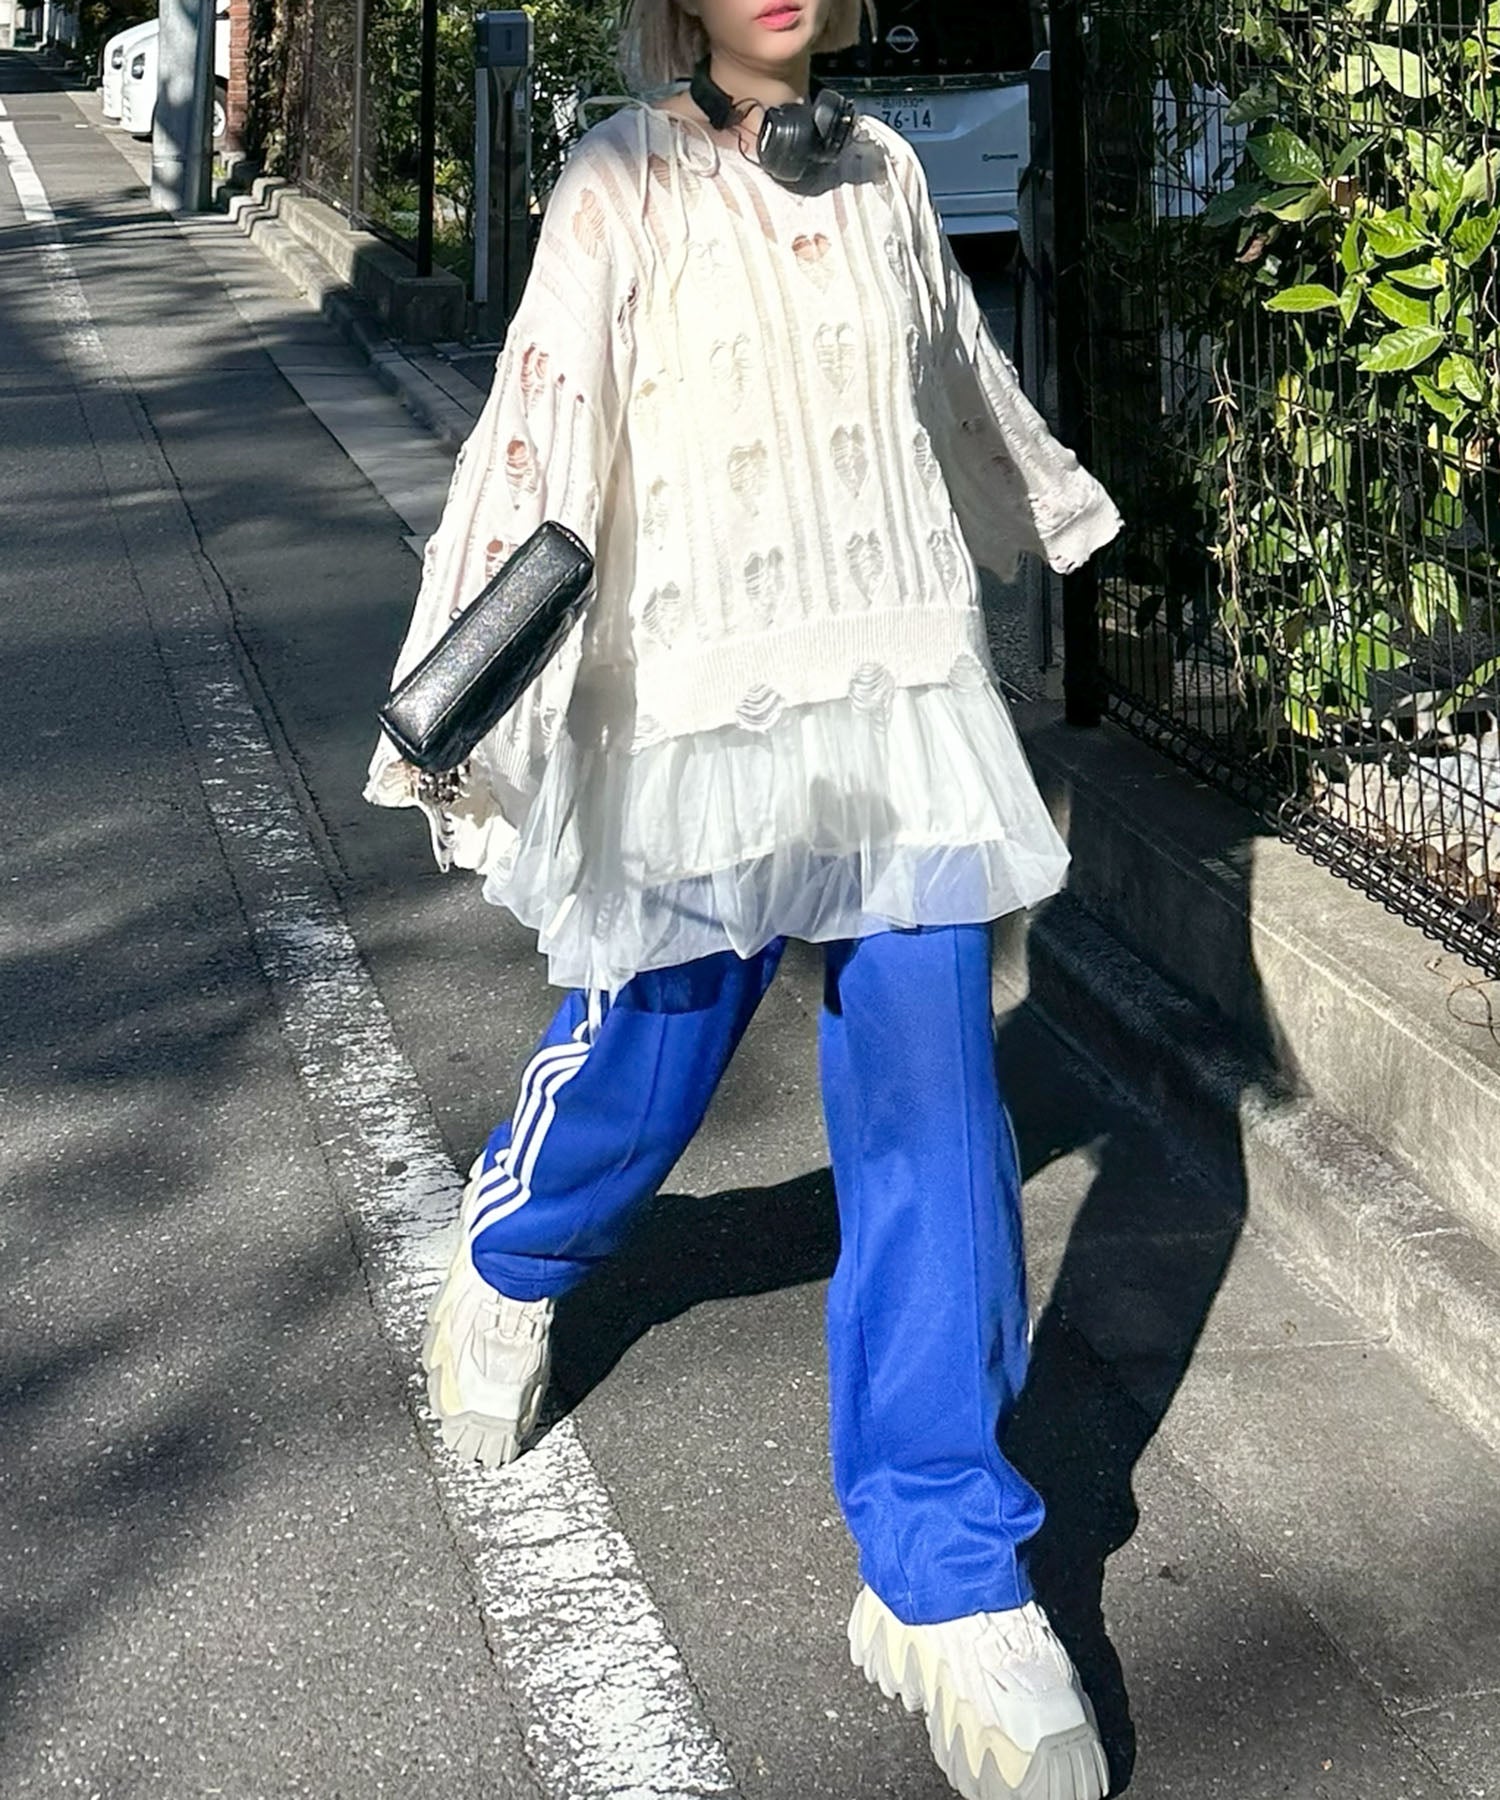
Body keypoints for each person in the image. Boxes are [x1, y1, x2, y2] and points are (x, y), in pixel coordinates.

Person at [367, 1, 1122, 1794]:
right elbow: (539, 448)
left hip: (894, 694)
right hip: (695, 705)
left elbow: (955, 385)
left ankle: (945, 1570)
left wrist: (1055, 519)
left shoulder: (887, 172)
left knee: (938, 1100)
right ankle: (512, 1258)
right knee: (656, 1049)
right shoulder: (617, 181)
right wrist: (462, 711)